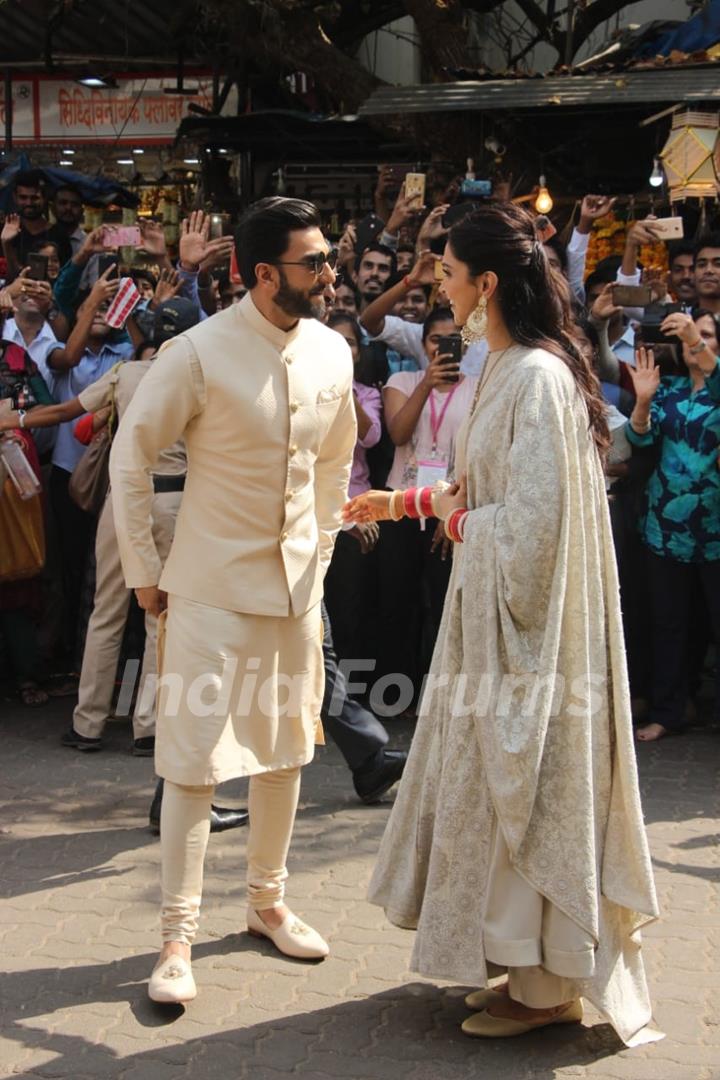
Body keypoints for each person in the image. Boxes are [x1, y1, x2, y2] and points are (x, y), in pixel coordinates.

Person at [343, 201, 660, 1047]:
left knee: (530, 783)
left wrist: (448, 524)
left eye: (445, 272)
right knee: (492, 783)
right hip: (492, 622)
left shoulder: (539, 377)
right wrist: (401, 500)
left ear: (486, 283)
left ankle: (551, 983)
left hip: (535, 630)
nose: (436, 284)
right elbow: (480, 492)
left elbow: (532, 526)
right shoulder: (508, 367)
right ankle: (525, 971)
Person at [109, 196, 356, 1004]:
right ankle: (176, 937)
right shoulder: (196, 352)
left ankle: (267, 902)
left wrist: (319, 552)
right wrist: (146, 568)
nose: (328, 273)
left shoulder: (331, 351)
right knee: (193, 764)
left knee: (287, 751)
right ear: (261, 273)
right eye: (312, 262)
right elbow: (130, 459)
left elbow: (334, 465)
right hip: (209, 589)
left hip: (295, 589)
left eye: (326, 258)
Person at [626, 310, 720, 742]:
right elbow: (642, 438)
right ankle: (667, 712)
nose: (695, 341)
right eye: (689, 334)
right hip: (664, 526)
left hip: (714, 526)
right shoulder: (674, 388)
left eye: (706, 335)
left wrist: (695, 343)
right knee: (668, 623)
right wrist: (644, 401)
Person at [377, 306, 478, 709]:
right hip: (401, 505)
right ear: (423, 345)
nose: (443, 347)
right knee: (395, 600)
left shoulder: (477, 387)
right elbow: (398, 433)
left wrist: (452, 510)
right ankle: (392, 697)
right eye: (436, 339)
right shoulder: (402, 380)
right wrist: (426, 384)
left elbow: (477, 454)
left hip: (447, 509)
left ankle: (438, 702)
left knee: (441, 601)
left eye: (452, 339)